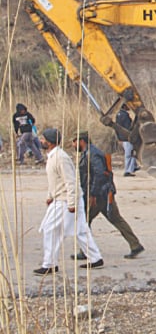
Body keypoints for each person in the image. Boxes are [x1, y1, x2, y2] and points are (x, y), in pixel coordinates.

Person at [34, 128, 103, 275]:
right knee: (81, 230)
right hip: (62, 198)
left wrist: (72, 204)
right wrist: (50, 195)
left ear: (50, 142)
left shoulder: (61, 158)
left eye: (43, 139)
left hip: (65, 201)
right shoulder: (53, 156)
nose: (41, 141)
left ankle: (49, 264)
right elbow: (55, 180)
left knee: (50, 229)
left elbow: (70, 182)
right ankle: (95, 258)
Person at [72, 132, 144, 260]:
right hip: (102, 193)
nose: (73, 145)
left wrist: (92, 194)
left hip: (99, 194)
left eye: (74, 141)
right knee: (115, 219)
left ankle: (86, 250)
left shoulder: (92, 154)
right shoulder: (89, 153)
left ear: (81, 141)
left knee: (84, 221)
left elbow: (99, 174)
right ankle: (135, 244)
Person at [115, 104, 139, 177]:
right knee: (131, 154)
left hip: (122, 138)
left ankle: (134, 166)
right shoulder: (125, 116)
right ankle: (128, 171)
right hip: (127, 138)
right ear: (125, 106)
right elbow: (128, 127)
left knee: (129, 153)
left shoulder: (118, 115)